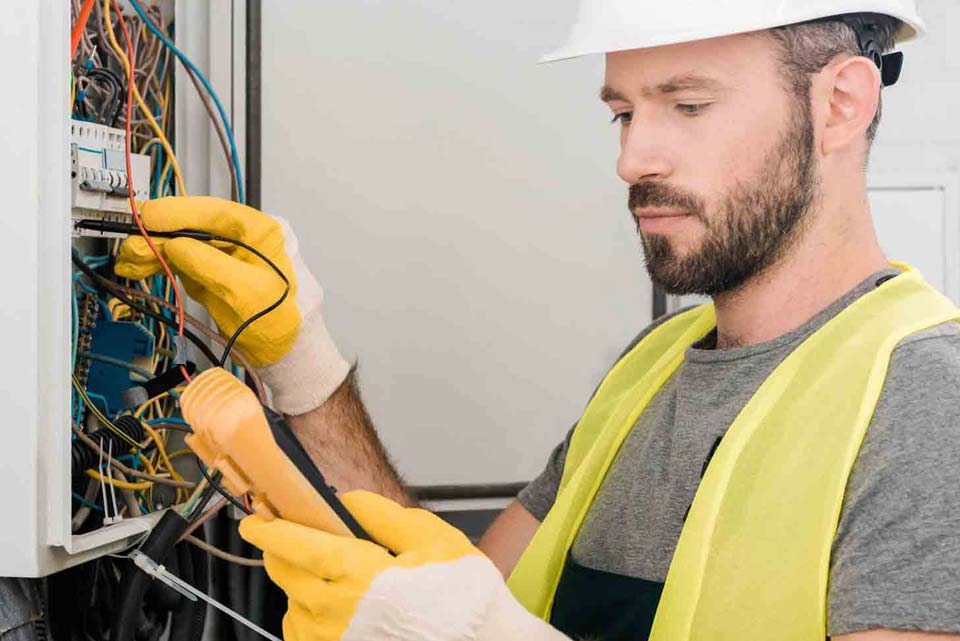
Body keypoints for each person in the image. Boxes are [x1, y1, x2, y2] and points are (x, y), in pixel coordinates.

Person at [115, 1, 960, 639]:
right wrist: (306, 364)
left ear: (841, 105)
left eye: (688, 106)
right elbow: (447, 596)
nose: (633, 159)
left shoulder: (927, 400)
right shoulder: (654, 363)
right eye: (624, 112)